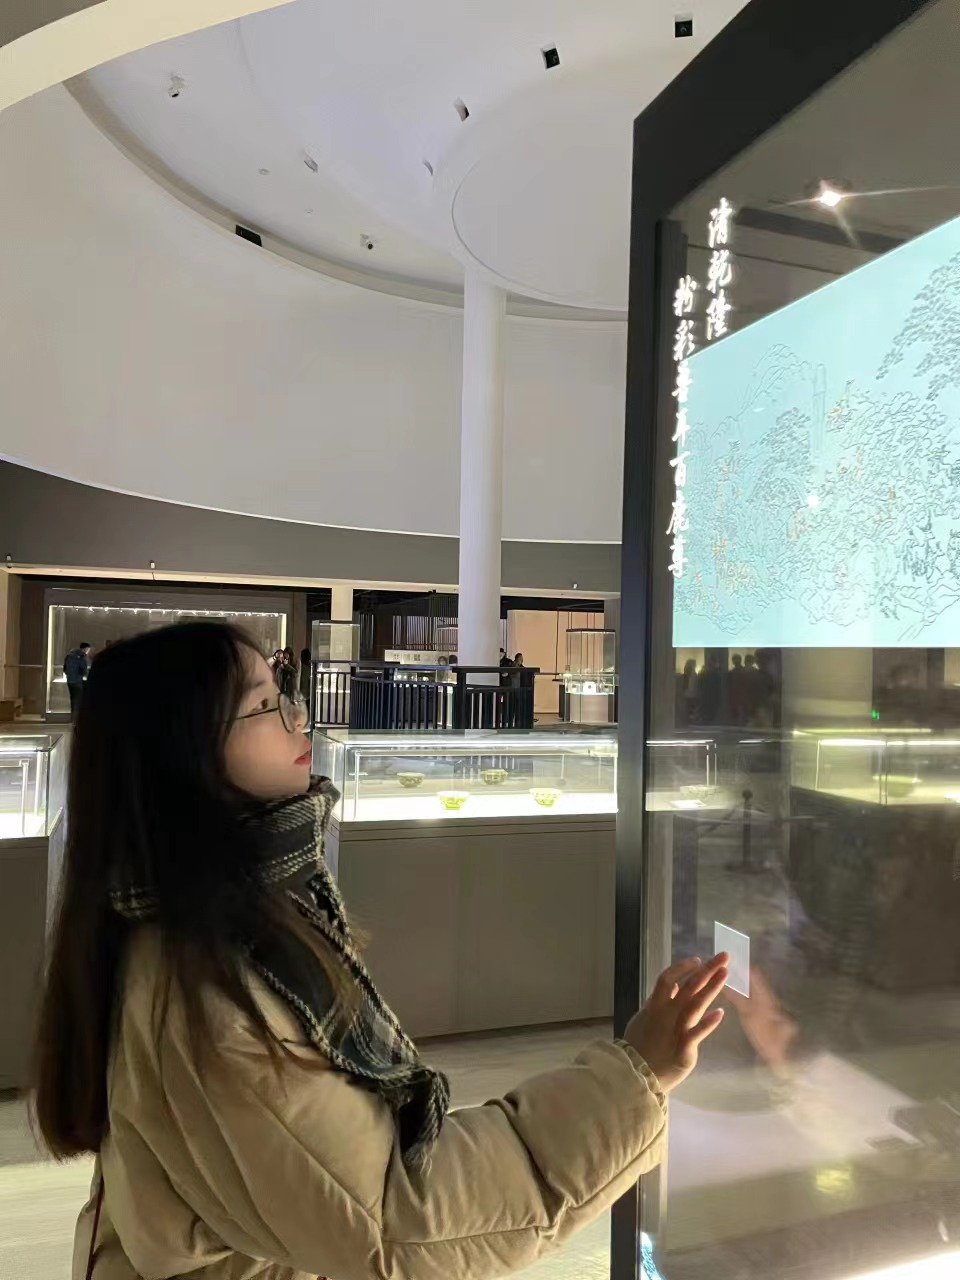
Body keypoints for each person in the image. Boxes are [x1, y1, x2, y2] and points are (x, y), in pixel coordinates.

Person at [34, 621, 727, 1280]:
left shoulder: (225, 917)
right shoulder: (207, 995)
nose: (300, 719)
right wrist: (633, 1079)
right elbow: (396, 1217)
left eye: (286, 694)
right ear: (186, 756)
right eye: (266, 706)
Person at [62, 641, 91, 723]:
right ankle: (76, 720)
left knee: (73, 699)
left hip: (69, 681)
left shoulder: (69, 656)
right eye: (88, 649)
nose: (88, 651)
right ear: (85, 649)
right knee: (78, 701)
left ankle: (73, 719)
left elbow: (64, 669)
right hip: (78, 682)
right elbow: (84, 672)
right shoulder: (82, 657)